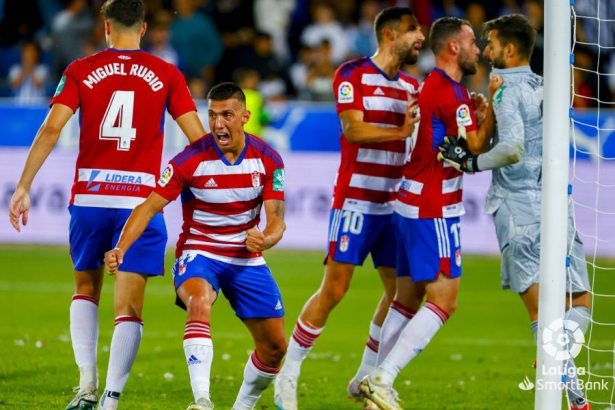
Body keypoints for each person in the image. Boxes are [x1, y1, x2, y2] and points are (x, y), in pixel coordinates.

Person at [8, 1, 207, 409]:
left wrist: (23, 185)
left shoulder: (81, 70)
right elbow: (197, 140)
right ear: (145, 27)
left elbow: (51, 128)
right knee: (129, 306)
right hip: (141, 202)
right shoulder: (167, 74)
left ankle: (86, 386)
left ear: (106, 28)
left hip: (91, 198)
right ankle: (111, 400)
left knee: (85, 290)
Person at [439, 14, 591, 410]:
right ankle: (576, 399)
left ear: (508, 49)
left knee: (544, 315)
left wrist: (469, 165)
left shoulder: (505, 87)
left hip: (518, 207)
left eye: (490, 44)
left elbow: (513, 149)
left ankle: (562, 378)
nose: (485, 52)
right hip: (557, 204)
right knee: (580, 303)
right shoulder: (550, 87)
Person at [104, 82, 287, 410]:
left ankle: (241, 407)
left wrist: (268, 238)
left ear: (245, 116)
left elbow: (275, 219)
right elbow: (147, 207)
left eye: (227, 115)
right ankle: (202, 400)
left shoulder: (268, 159)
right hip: (200, 252)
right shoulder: (189, 160)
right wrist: (120, 248)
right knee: (199, 302)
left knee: (275, 348)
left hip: (246, 257)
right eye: (213, 115)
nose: (218, 124)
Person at [274, 6, 422, 410]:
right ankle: (288, 374)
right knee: (334, 289)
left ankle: (364, 378)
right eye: (413, 30)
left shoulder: (413, 87)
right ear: (390, 34)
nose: (420, 37)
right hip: (357, 201)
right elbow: (353, 129)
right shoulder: (352, 74)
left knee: (401, 295)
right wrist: (401, 130)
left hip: (396, 205)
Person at [358, 17, 500, 409]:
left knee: (407, 300)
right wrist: (490, 108)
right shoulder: (450, 92)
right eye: (472, 42)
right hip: (433, 207)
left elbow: (454, 136)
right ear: (453, 47)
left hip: (409, 202)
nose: (477, 49)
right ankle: (382, 380)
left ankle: (371, 386)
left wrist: (474, 113)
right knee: (444, 301)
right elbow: (472, 147)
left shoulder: (434, 87)